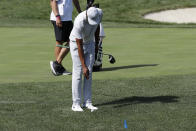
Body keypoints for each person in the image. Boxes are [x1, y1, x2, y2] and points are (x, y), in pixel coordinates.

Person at [69, 7, 103, 112]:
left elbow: (97, 28)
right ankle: (76, 104)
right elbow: (79, 45)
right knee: (78, 72)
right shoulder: (79, 21)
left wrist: (97, 43)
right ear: (87, 15)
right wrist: (83, 66)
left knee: (89, 73)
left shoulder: (99, 13)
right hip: (76, 44)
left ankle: (87, 102)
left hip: (90, 43)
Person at [50, 0, 81, 76]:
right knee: (59, 42)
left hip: (68, 19)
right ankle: (58, 67)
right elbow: (53, 1)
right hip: (60, 18)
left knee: (73, 40)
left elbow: (75, 1)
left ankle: (57, 64)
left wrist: (80, 12)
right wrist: (57, 16)